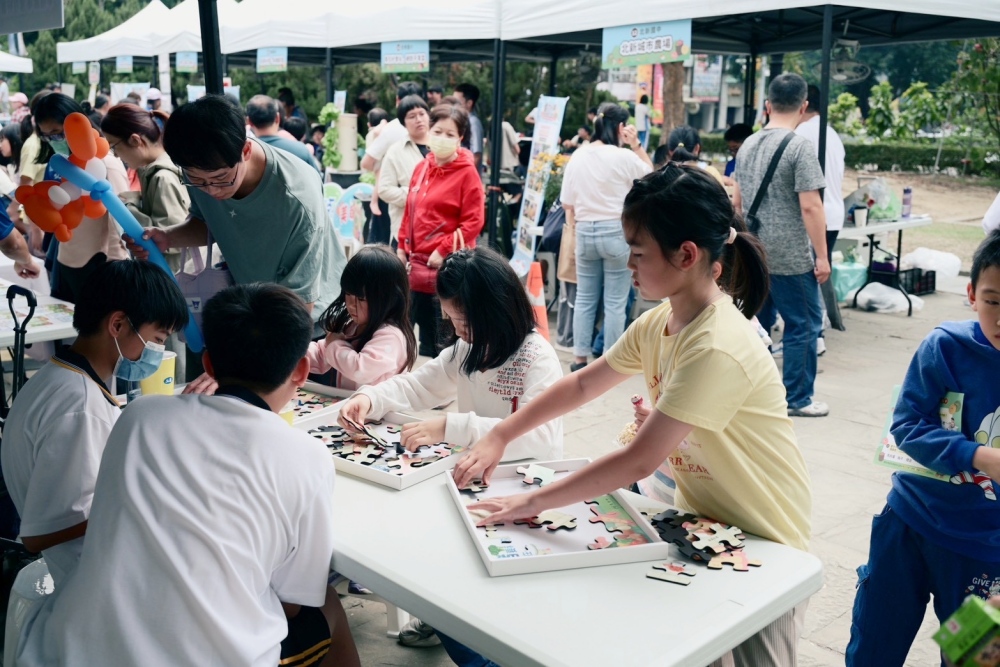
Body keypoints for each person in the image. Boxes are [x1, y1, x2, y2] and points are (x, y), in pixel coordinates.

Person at [456, 165, 812, 667]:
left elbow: (639, 462)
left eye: (638, 251)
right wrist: (501, 435)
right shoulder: (659, 322)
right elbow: (582, 383)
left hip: (768, 538)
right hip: (703, 523)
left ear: (686, 255)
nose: (628, 263)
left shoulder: (717, 344)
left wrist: (530, 501)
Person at [14, 283, 361, 667]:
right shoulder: (308, 457)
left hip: (66, 649)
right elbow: (293, 604)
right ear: (301, 370)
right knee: (328, 607)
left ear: (208, 364)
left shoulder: (139, 417)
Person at [846, 231, 1000, 666]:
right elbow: (907, 425)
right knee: (875, 646)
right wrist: (978, 456)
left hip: (985, 552)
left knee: (970, 657)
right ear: (971, 294)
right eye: (994, 301)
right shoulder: (946, 348)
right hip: (909, 526)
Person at [127, 94, 347, 388]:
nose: (212, 191)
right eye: (199, 182)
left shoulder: (297, 198)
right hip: (254, 309)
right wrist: (167, 237)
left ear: (244, 149)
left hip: (308, 326)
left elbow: (298, 310)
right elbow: (207, 222)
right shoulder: (197, 172)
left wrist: (233, 369)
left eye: (221, 180)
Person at [0, 260, 187, 588]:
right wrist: (143, 494)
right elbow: (39, 534)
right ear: (117, 324)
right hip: (96, 580)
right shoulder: (80, 408)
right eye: (157, 339)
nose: (157, 351)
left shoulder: (61, 378)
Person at [733, 73, 830, 418]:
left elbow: (737, 203)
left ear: (768, 105)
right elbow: (811, 206)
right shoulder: (800, 147)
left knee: (755, 325)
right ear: (804, 106)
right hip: (791, 257)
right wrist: (822, 255)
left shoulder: (747, 145)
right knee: (803, 324)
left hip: (755, 251)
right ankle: (798, 399)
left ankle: (752, 393)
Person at [559, 102, 652, 372]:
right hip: (616, 231)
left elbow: (568, 204)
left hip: (585, 231)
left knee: (585, 298)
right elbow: (653, 178)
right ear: (621, 127)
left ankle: (579, 359)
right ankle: (608, 364)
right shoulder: (623, 157)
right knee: (615, 301)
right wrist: (636, 145)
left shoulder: (579, 155)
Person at [396, 104, 485, 358]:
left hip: (445, 269)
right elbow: (409, 212)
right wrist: (402, 247)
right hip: (415, 268)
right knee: (413, 338)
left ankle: (443, 394)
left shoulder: (467, 173)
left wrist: (443, 249)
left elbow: (474, 222)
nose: (443, 138)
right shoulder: (421, 168)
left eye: (450, 134)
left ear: (460, 139)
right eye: (438, 131)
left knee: (444, 343)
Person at [33, 93, 130, 303]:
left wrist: (117, 264)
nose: (53, 141)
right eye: (46, 136)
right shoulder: (65, 164)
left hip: (100, 264)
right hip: (67, 259)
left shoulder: (105, 163)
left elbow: (120, 217)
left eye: (57, 134)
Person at [307, 245, 416, 390]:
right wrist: (294, 353)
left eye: (361, 298)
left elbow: (360, 370)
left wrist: (335, 344)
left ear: (388, 298)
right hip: (351, 407)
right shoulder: (352, 326)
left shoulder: (391, 336)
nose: (351, 304)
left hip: (378, 412)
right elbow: (322, 352)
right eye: (348, 294)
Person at [101, 104, 189, 273]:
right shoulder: (154, 170)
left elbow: (172, 236)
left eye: (114, 146)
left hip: (174, 274)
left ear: (135, 140)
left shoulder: (163, 177)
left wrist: (127, 207)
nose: (116, 155)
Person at [796, 84, 845, 358]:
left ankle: (815, 336)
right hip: (834, 215)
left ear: (802, 104)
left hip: (814, 215)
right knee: (816, 277)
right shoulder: (831, 134)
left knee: (807, 279)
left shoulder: (801, 133)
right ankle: (816, 332)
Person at [361, 83, 422, 244]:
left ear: (397, 101)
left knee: (382, 248)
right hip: (418, 216)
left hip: (392, 201)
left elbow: (366, 162)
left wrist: (380, 168)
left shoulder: (392, 129)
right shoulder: (433, 135)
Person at [377, 95, 430, 244]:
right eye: (412, 116)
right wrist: (413, 196)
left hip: (439, 231)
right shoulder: (395, 151)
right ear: (403, 123)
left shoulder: (441, 146)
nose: (418, 119)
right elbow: (384, 189)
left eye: (422, 114)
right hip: (406, 232)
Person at [246, 95, 320, 173]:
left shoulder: (244, 154)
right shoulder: (301, 151)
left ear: (249, 122)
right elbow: (317, 182)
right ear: (277, 118)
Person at [452, 83, 484, 169]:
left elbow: (476, 155)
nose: (453, 105)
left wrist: (465, 174)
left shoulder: (473, 122)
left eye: (457, 101)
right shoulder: (460, 120)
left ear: (469, 103)